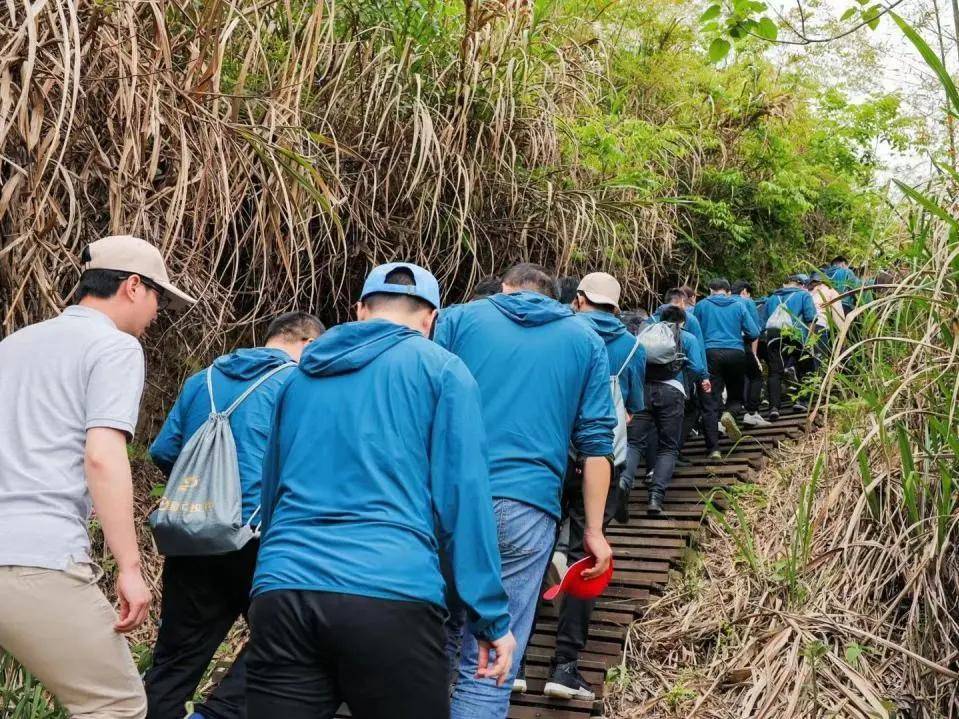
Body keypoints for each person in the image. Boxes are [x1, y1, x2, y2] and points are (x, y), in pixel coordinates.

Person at [246, 263, 515, 719]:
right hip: (391, 591)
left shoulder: (297, 378)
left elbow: (271, 489)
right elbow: (464, 500)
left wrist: (269, 578)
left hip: (284, 590)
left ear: (360, 310)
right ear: (432, 319)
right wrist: (489, 616)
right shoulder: (443, 370)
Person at [0, 235, 194, 719]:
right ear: (132, 286)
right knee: (115, 705)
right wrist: (130, 567)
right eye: (158, 297)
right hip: (36, 557)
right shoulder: (114, 347)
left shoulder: (13, 345)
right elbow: (104, 456)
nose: (157, 312)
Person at [437, 263, 615, 719]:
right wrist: (593, 531)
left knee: (436, 631)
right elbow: (597, 444)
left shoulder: (458, 320)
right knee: (494, 657)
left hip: (444, 498)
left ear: (504, 288)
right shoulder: (585, 341)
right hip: (525, 506)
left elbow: (423, 402)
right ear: (557, 297)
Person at [145, 311, 325, 719]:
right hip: (259, 540)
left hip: (192, 537)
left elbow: (164, 451)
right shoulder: (297, 385)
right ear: (308, 344)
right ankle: (215, 715)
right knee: (289, 643)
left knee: (175, 661)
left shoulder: (202, 380)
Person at [541, 272, 645, 701]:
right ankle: (564, 666)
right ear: (616, 308)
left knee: (534, 545)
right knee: (591, 556)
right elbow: (635, 408)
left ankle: (508, 657)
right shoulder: (632, 346)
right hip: (602, 460)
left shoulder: (557, 332)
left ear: (579, 298)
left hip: (551, 457)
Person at [631, 305, 708, 513]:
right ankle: (655, 497)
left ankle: (624, 484)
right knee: (669, 447)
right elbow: (698, 368)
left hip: (643, 390)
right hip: (672, 392)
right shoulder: (687, 337)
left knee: (635, 442)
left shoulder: (645, 334)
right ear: (682, 322)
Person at [692, 277, 760, 460]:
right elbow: (754, 332)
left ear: (710, 290)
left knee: (710, 403)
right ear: (728, 291)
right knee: (736, 396)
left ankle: (714, 449)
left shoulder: (701, 306)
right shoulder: (739, 305)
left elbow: (692, 332)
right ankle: (729, 413)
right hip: (736, 354)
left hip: (710, 354)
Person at [764, 275, 818, 418]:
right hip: (796, 336)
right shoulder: (803, 295)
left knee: (775, 372)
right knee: (805, 368)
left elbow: (765, 321)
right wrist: (810, 340)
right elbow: (810, 318)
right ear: (800, 284)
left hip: (774, 337)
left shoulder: (772, 298)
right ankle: (802, 400)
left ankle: (774, 407)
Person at [730, 281, 770, 428]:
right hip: (742, 345)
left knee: (733, 381)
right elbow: (754, 331)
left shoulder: (722, 303)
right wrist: (754, 355)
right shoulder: (747, 302)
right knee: (755, 376)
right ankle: (752, 413)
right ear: (744, 291)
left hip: (721, 348)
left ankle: (725, 415)